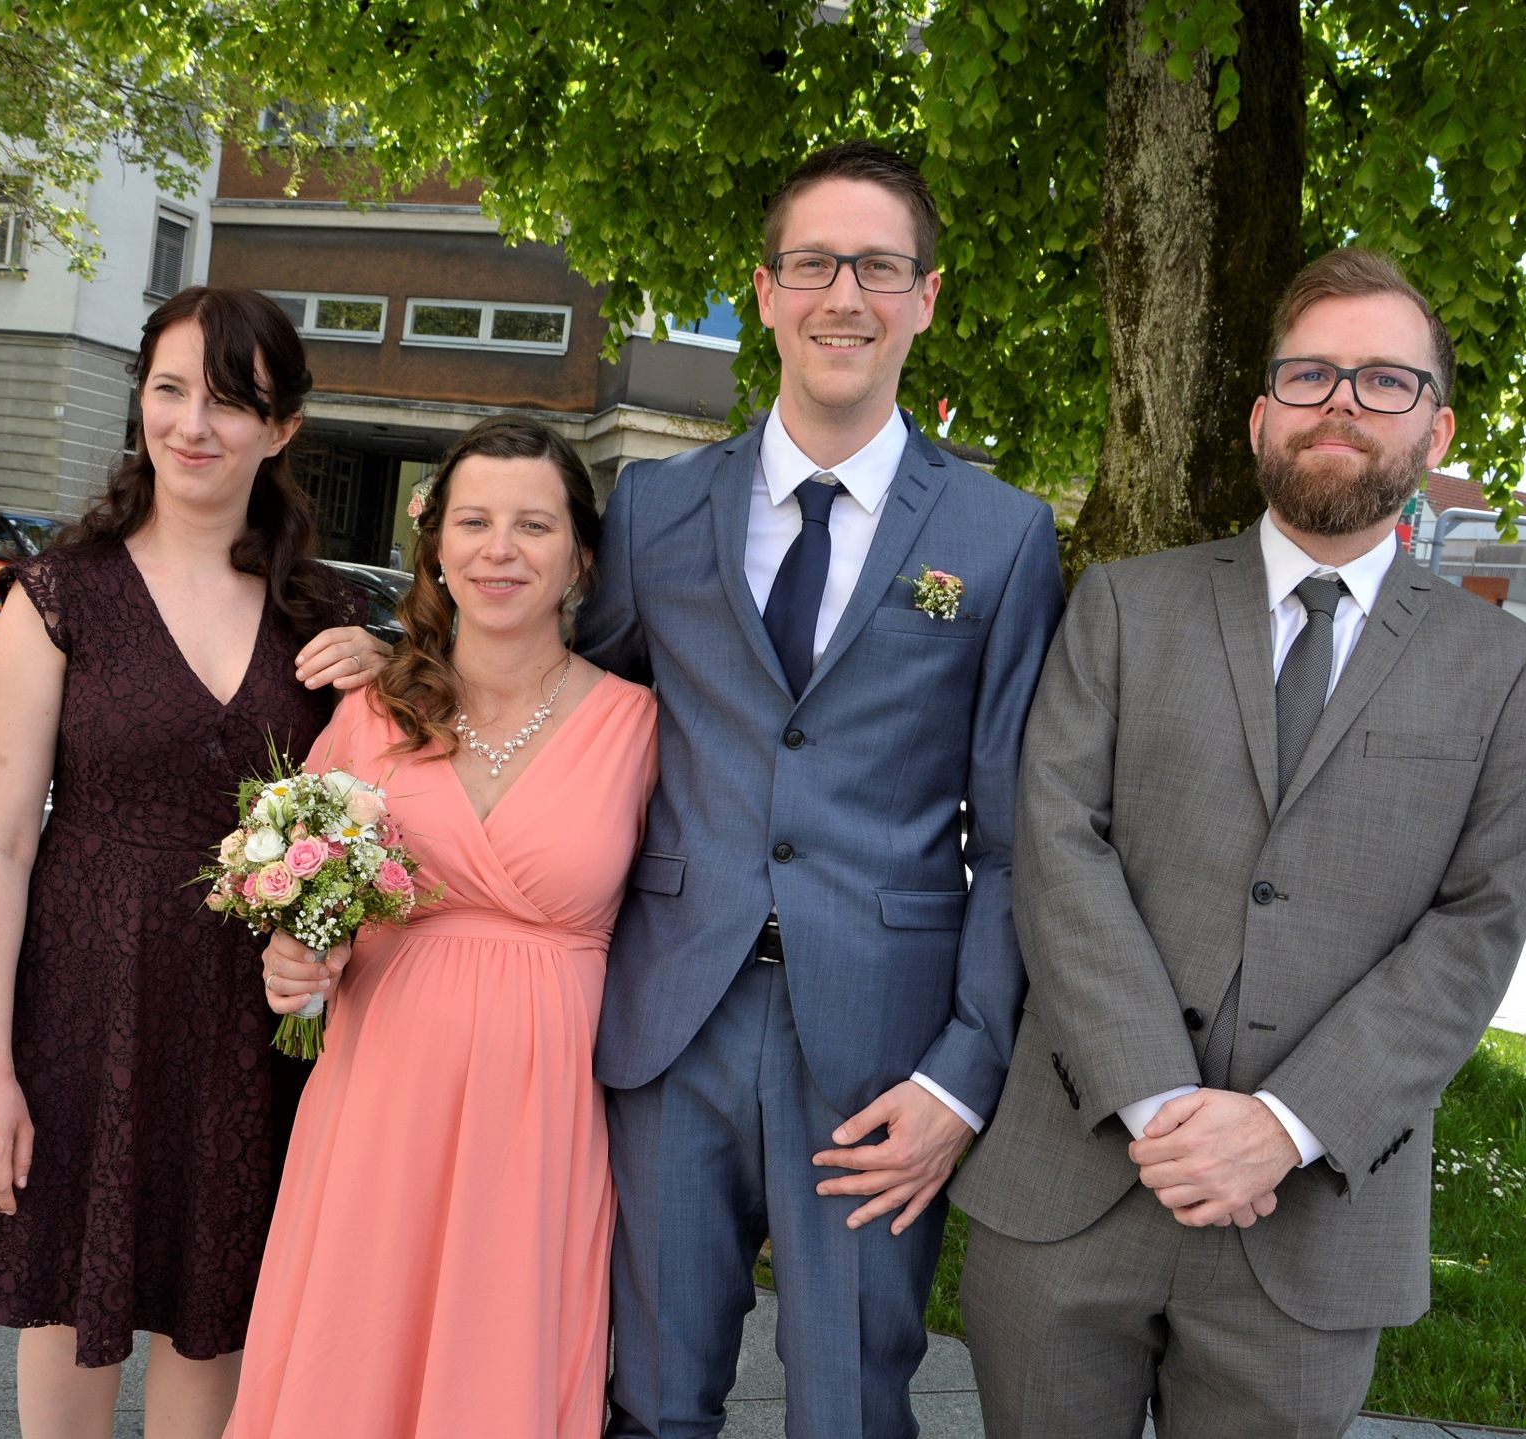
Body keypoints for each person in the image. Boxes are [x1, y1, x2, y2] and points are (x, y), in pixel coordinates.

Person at [952, 248, 1526, 1437]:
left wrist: (1279, 1128)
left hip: (1313, 1220)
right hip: (1075, 1179)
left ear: (1435, 431)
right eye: (1310, 373)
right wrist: (1157, 1102)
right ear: (1259, 415)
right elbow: (1054, 842)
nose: (1341, 400)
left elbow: (1473, 934)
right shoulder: (1125, 606)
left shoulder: (1509, 676)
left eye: (1384, 381)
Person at [576, 140, 1065, 1438]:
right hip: (671, 1022)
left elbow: (1021, 839)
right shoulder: (654, 510)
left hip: (882, 1057)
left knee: (848, 1401)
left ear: (925, 297)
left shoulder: (999, 536)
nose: (844, 293)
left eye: (878, 266)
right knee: (646, 1395)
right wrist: (393, 671)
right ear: (765, 288)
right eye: (814, 263)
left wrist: (961, 1078)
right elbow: (566, 721)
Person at [0, 286, 389, 1439]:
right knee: (65, 1310)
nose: (193, 424)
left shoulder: (316, 613)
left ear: (281, 428)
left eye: (232, 401)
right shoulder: (60, 595)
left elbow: (380, 808)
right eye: (170, 390)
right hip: (80, 1005)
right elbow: (1, 837)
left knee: (211, 1320)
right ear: (140, 401)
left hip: (247, 1023)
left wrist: (391, 669)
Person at [225, 417, 657, 1439]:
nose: (499, 549)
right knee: (356, 1344)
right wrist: (294, 959)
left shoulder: (643, 725)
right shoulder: (374, 710)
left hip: (545, 1103)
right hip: (381, 1087)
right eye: (473, 521)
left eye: (532, 525)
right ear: (436, 549)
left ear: (580, 556)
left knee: (496, 1353)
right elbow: (309, 899)